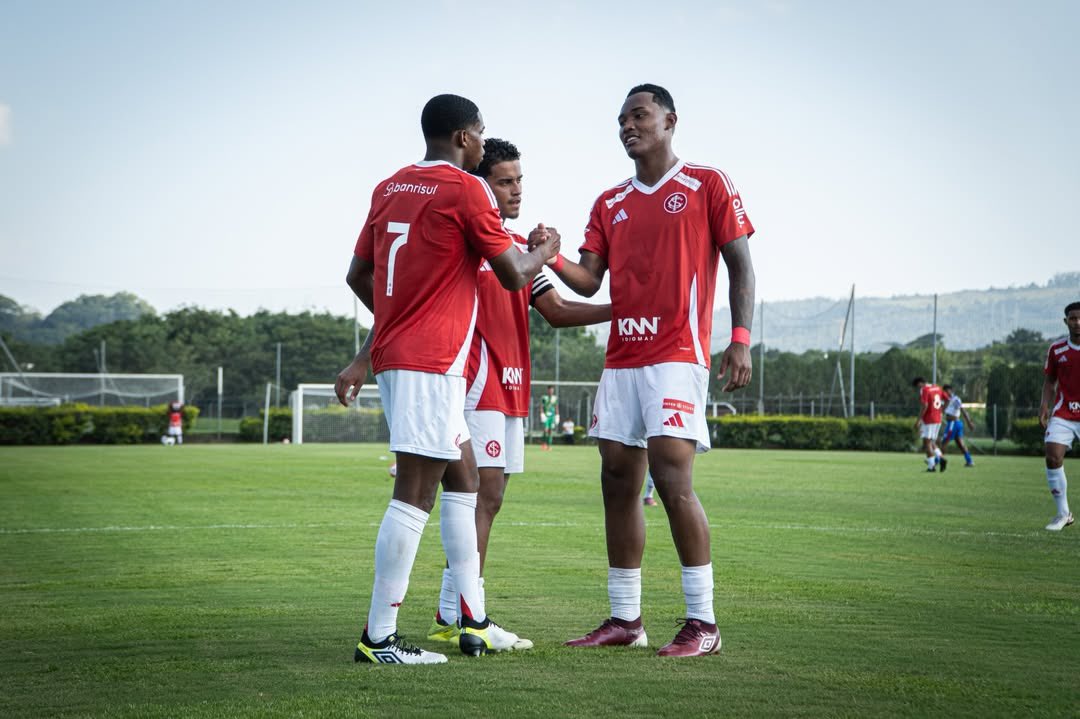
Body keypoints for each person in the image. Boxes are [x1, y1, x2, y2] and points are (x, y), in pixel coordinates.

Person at [334, 94, 559, 665]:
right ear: (463, 137)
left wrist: (396, 317)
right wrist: (547, 252)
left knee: (465, 479)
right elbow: (512, 274)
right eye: (480, 134)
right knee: (414, 492)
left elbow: (358, 274)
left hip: (409, 358)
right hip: (430, 363)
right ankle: (378, 639)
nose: (484, 143)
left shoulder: (390, 186)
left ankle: (472, 620)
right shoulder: (467, 189)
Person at [540, 84, 756, 657]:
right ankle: (625, 619)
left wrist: (739, 339)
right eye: (621, 119)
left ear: (670, 120)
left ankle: (703, 623)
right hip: (622, 359)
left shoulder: (707, 183)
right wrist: (552, 255)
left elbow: (740, 264)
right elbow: (588, 281)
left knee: (672, 477)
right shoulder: (609, 202)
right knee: (616, 481)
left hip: (678, 354)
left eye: (639, 115)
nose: (627, 126)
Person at [425, 138, 610, 648]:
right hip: (477, 384)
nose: (516, 191)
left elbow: (557, 311)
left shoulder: (511, 251)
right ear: (479, 184)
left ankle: (451, 613)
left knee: (490, 500)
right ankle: (470, 619)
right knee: (480, 499)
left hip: (509, 388)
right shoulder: (472, 244)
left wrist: (622, 306)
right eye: (505, 181)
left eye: (519, 180)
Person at [1038, 301, 1080, 531]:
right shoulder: (1057, 350)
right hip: (1064, 413)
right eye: (1073, 318)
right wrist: (1044, 406)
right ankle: (1064, 514)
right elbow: (1050, 381)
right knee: (1053, 456)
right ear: (1066, 322)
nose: (1078, 323)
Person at [912, 377, 947, 472]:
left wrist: (918, 420)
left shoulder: (924, 389)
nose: (918, 389)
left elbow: (925, 405)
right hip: (938, 418)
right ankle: (941, 457)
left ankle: (931, 467)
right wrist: (941, 411)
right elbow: (947, 399)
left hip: (928, 419)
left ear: (920, 383)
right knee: (931, 442)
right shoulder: (937, 387)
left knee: (926, 442)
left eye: (917, 386)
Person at [939, 384, 975, 467]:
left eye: (946, 391)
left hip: (953, 423)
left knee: (944, 443)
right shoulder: (945, 399)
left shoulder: (955, 399)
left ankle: (937, 461)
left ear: (951, 390)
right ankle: (969, 461)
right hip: (956, 423)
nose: (945, 393)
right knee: (960, 444)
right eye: (944, 391)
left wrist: (969, 422)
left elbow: (963, 410)